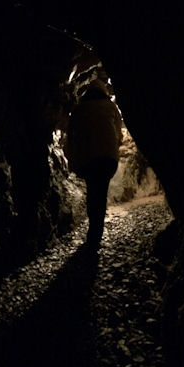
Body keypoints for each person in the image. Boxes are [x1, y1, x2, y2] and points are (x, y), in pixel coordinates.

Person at [66, 78, 123, 246]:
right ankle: (96, 232)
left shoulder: (79, 109)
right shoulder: (111, 106)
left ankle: (93, 232)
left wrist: (74, 159)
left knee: (93, 192)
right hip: (108, 158)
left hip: (89, 158)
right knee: (101, 193)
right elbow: (118, 132)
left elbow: (72, 135)